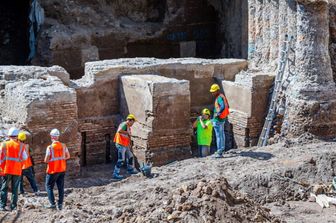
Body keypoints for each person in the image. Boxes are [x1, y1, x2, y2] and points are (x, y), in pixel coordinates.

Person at [0, 127, 28, 211]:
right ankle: (13, 206)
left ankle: (2, 206)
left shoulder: (4, 144)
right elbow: (25, 157)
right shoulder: (21, 145)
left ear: (9, 136)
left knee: (4, 188)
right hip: (16, 170)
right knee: (15, 189)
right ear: (17, 136)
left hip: (6, 169)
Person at [44, 128, 70, 210]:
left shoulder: (50, 147)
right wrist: (61, 160)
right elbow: (68, 156)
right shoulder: (63, 145)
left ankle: (52, 204)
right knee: (60, 187)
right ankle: (60, 204)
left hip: (53, 170)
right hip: (62, 169)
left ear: (52, 137)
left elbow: (46, 160)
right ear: (58, 137)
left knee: (48, 186)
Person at [112, 114, 138, 180]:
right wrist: (127, 133)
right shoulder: (124, 125)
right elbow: (119, 131)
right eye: (133, 122)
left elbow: (127, 136)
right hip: (121, 144)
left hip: (125, 144)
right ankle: (115, 173)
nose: (133, 123)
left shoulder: (128, 127)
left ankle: (130, 169)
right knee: (121, 160)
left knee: (130, 156)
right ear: (130, 121)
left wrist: (129, 144)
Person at [210, 84, 230, 158]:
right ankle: (222, 149)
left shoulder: (219, 98)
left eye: (213, 91)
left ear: (217, 91)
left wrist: (218, 114)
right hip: (222, 118)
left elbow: (223, 106)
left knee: (218, 136)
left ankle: (219, 152)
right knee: (222, 135)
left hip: (218, 119)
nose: (212, 93)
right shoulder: (222, 96)